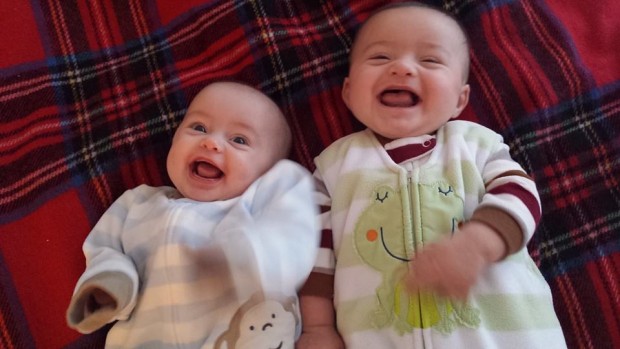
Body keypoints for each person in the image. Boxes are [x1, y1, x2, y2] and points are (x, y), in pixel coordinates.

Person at [297, 2, 566, 348]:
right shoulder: (332, 168)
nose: (402, 68)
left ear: (459, 99)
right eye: (380, 57)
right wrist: (317, 329)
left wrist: (478, 243)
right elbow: (315, 260)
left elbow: (521, 193)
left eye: (430, 60)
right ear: (349, 93)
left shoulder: (476, 144)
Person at [66, 81, 319, 349]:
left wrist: (242, 255)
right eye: (199, 128)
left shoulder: (262, 204)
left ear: (268, 172)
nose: (211, 142)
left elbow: (293, 238)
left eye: (239, 140)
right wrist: (109, 284)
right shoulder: (139, 203)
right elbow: (105, 247)